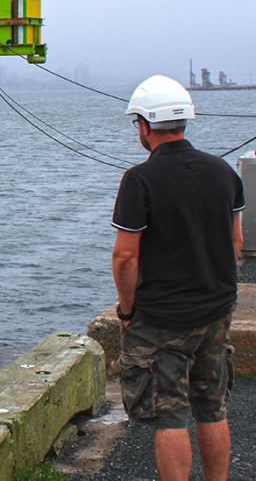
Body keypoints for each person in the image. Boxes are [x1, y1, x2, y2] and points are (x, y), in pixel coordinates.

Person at [111, 74, 245, 481]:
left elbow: (125, 257)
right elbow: (236, 243)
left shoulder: (140, 180)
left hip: (164, 318)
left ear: (146, 126)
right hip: (216, 312)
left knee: (170, 416)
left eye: (138, 123)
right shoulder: (223, 171)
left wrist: (127, 310)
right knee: (212, 407)